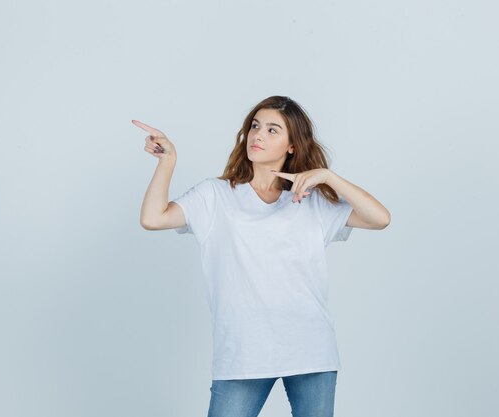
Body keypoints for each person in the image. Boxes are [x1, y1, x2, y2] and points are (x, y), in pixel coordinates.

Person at [134, 95, 390, 417]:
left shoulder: (312, 202)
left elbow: (380, 218)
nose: (257, 135)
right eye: (255, 126)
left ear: (292, 145)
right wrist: (167, 162)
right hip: (243, 352)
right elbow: (153, 218)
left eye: (272, 130)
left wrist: (329, 177)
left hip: (310, 348)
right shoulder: (216, 195)